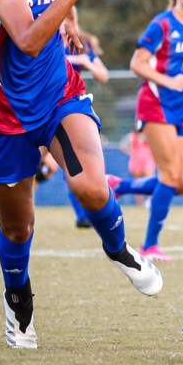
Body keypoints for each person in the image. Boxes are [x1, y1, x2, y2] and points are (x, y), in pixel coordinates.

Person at [0, 0, 162, 349]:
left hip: (59, 96)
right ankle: (20, 303)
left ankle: (120, 252)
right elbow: (31, 40)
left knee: (93, 187)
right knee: (19, 227)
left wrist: (73, 21)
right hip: (2, 116)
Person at [106, 0, 183, 262]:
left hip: (182, 106)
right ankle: (149, 246)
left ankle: (119, 186)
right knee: (169, 175)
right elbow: (136, 64)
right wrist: (168, 81)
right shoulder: (162, 24)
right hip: (156, 104)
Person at [64, 25, 109, 228]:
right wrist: (75, 60)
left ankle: (83, 216)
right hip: (41, 107)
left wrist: (87, 62)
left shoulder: (81, 43)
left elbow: (103, 75)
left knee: (72, 163)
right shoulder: (43, 36)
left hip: (70, 109)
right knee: (39, 165)